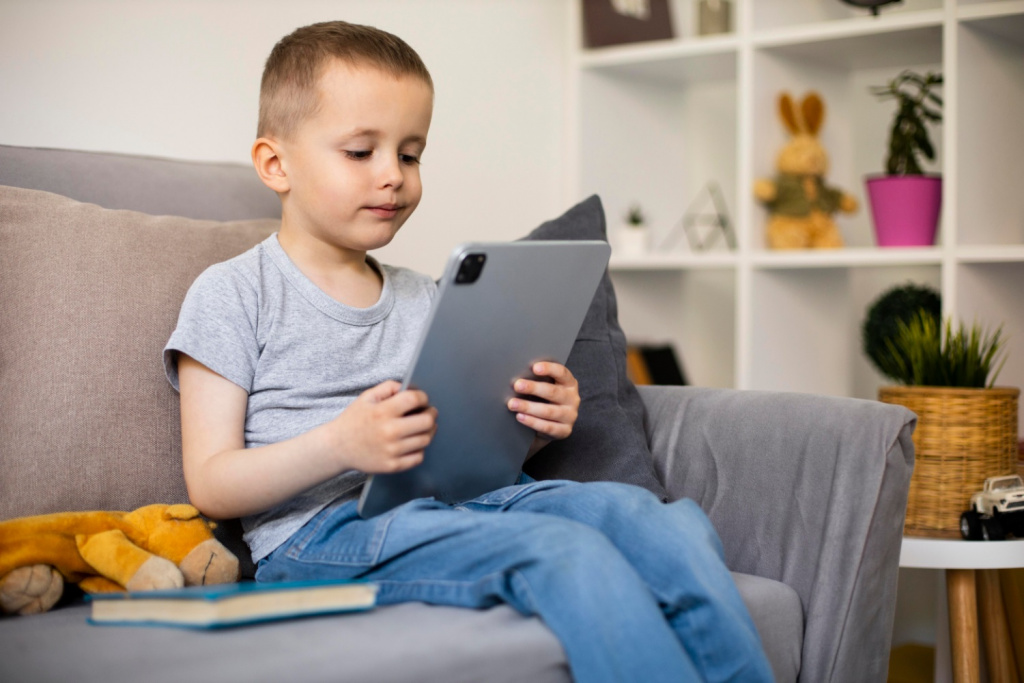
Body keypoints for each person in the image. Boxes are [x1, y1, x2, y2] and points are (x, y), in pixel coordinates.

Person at [163, 20, 772, 683]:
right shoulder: (232, 293)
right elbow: (213, 482)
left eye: (411, 153)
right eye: (361, 151)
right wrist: (340, 444)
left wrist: (537, 423)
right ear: (276, 164)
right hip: (320, 533)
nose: (393, 176)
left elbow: (468, 446)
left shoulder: (429, 297)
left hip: (457, 500)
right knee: (560, 550)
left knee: (654, 520)